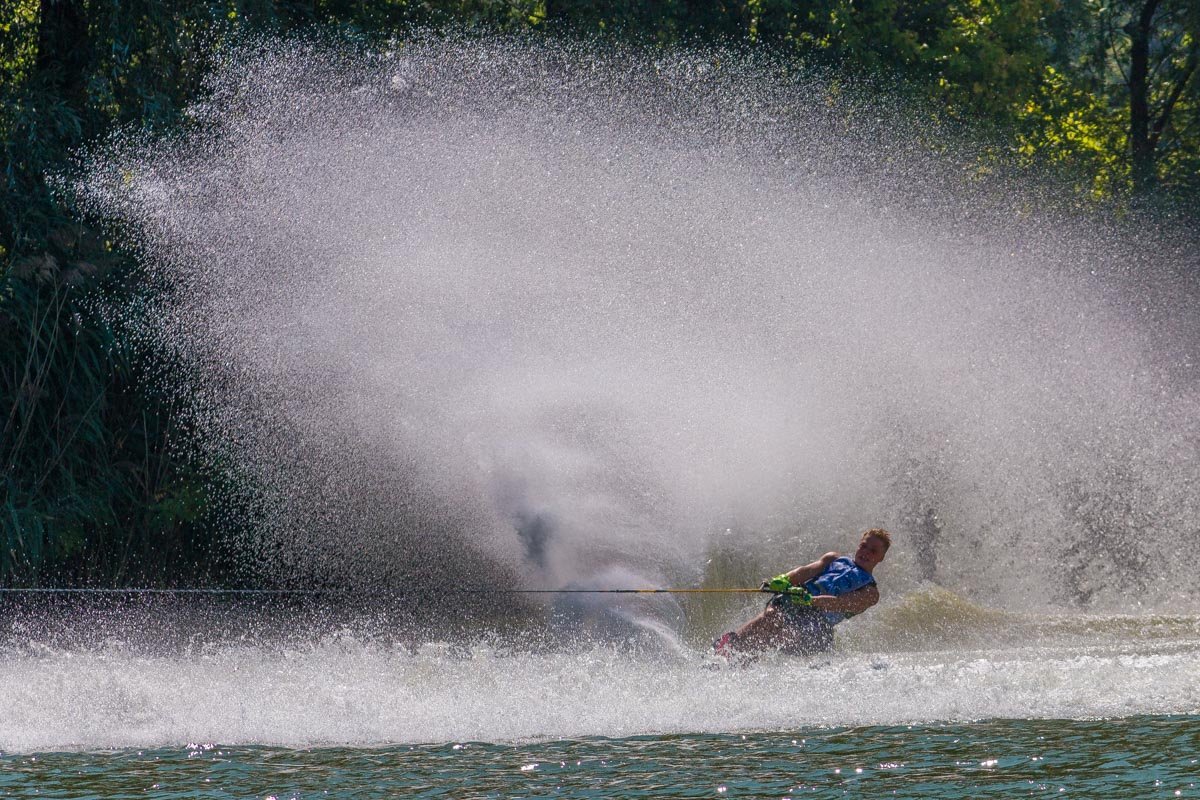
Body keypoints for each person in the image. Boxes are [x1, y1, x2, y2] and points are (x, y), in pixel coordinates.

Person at [713, 528, 890, 657]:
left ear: (881, 558)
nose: (866, 552)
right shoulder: (834, 559)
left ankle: (741, 656)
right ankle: (730, 646)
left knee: (782, 631)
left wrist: (811, 600)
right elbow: (805, 571)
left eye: (873, 551)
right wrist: (782, 581)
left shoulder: (870, 592)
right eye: (864, 546)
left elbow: (839, 602)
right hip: (798, 604)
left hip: (816, 630)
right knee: (773, 614)